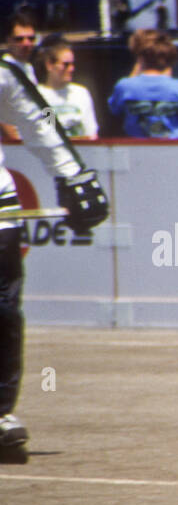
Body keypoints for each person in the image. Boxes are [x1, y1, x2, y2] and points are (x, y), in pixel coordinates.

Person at [1, 52, 110, 458]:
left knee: (5, 312)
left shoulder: (4, 73)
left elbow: (36, 120)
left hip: (0, 213)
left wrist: (73, 173)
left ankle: (0, 416)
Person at [107, 30, 178, 139]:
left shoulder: (124, 86)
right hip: (173, 147)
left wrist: (134, 73)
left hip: (135, 148)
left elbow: (114, 110)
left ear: (140, 59)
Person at [37, 37, 98, 140]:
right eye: (66, 64)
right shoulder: (37, 95)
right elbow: (45, 134)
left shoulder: (81, 93)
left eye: (72, 64)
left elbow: (91, 135)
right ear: (49, 65)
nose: (71, 68)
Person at [2, 12, 40, 143]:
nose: (26, 43)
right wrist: (18, 141)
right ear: (8, 41)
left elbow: (41, 105)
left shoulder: (29, 69)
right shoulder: (3, 71)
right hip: (17, 148)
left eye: (31, 38)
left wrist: (52, 129)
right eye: (19, 39)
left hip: (35, 140)